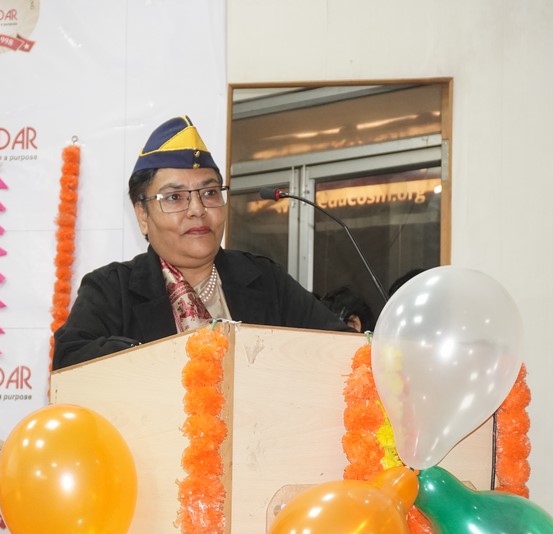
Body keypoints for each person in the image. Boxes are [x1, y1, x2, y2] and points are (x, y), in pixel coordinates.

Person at [53, 116, 351, 369]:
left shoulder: (264, 279)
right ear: (142, 214)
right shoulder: (111, 289)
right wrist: (160, 357)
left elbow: (340, 348)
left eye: (209, 193)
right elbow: (70, 363)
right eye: (174, 197)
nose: (197, 209)